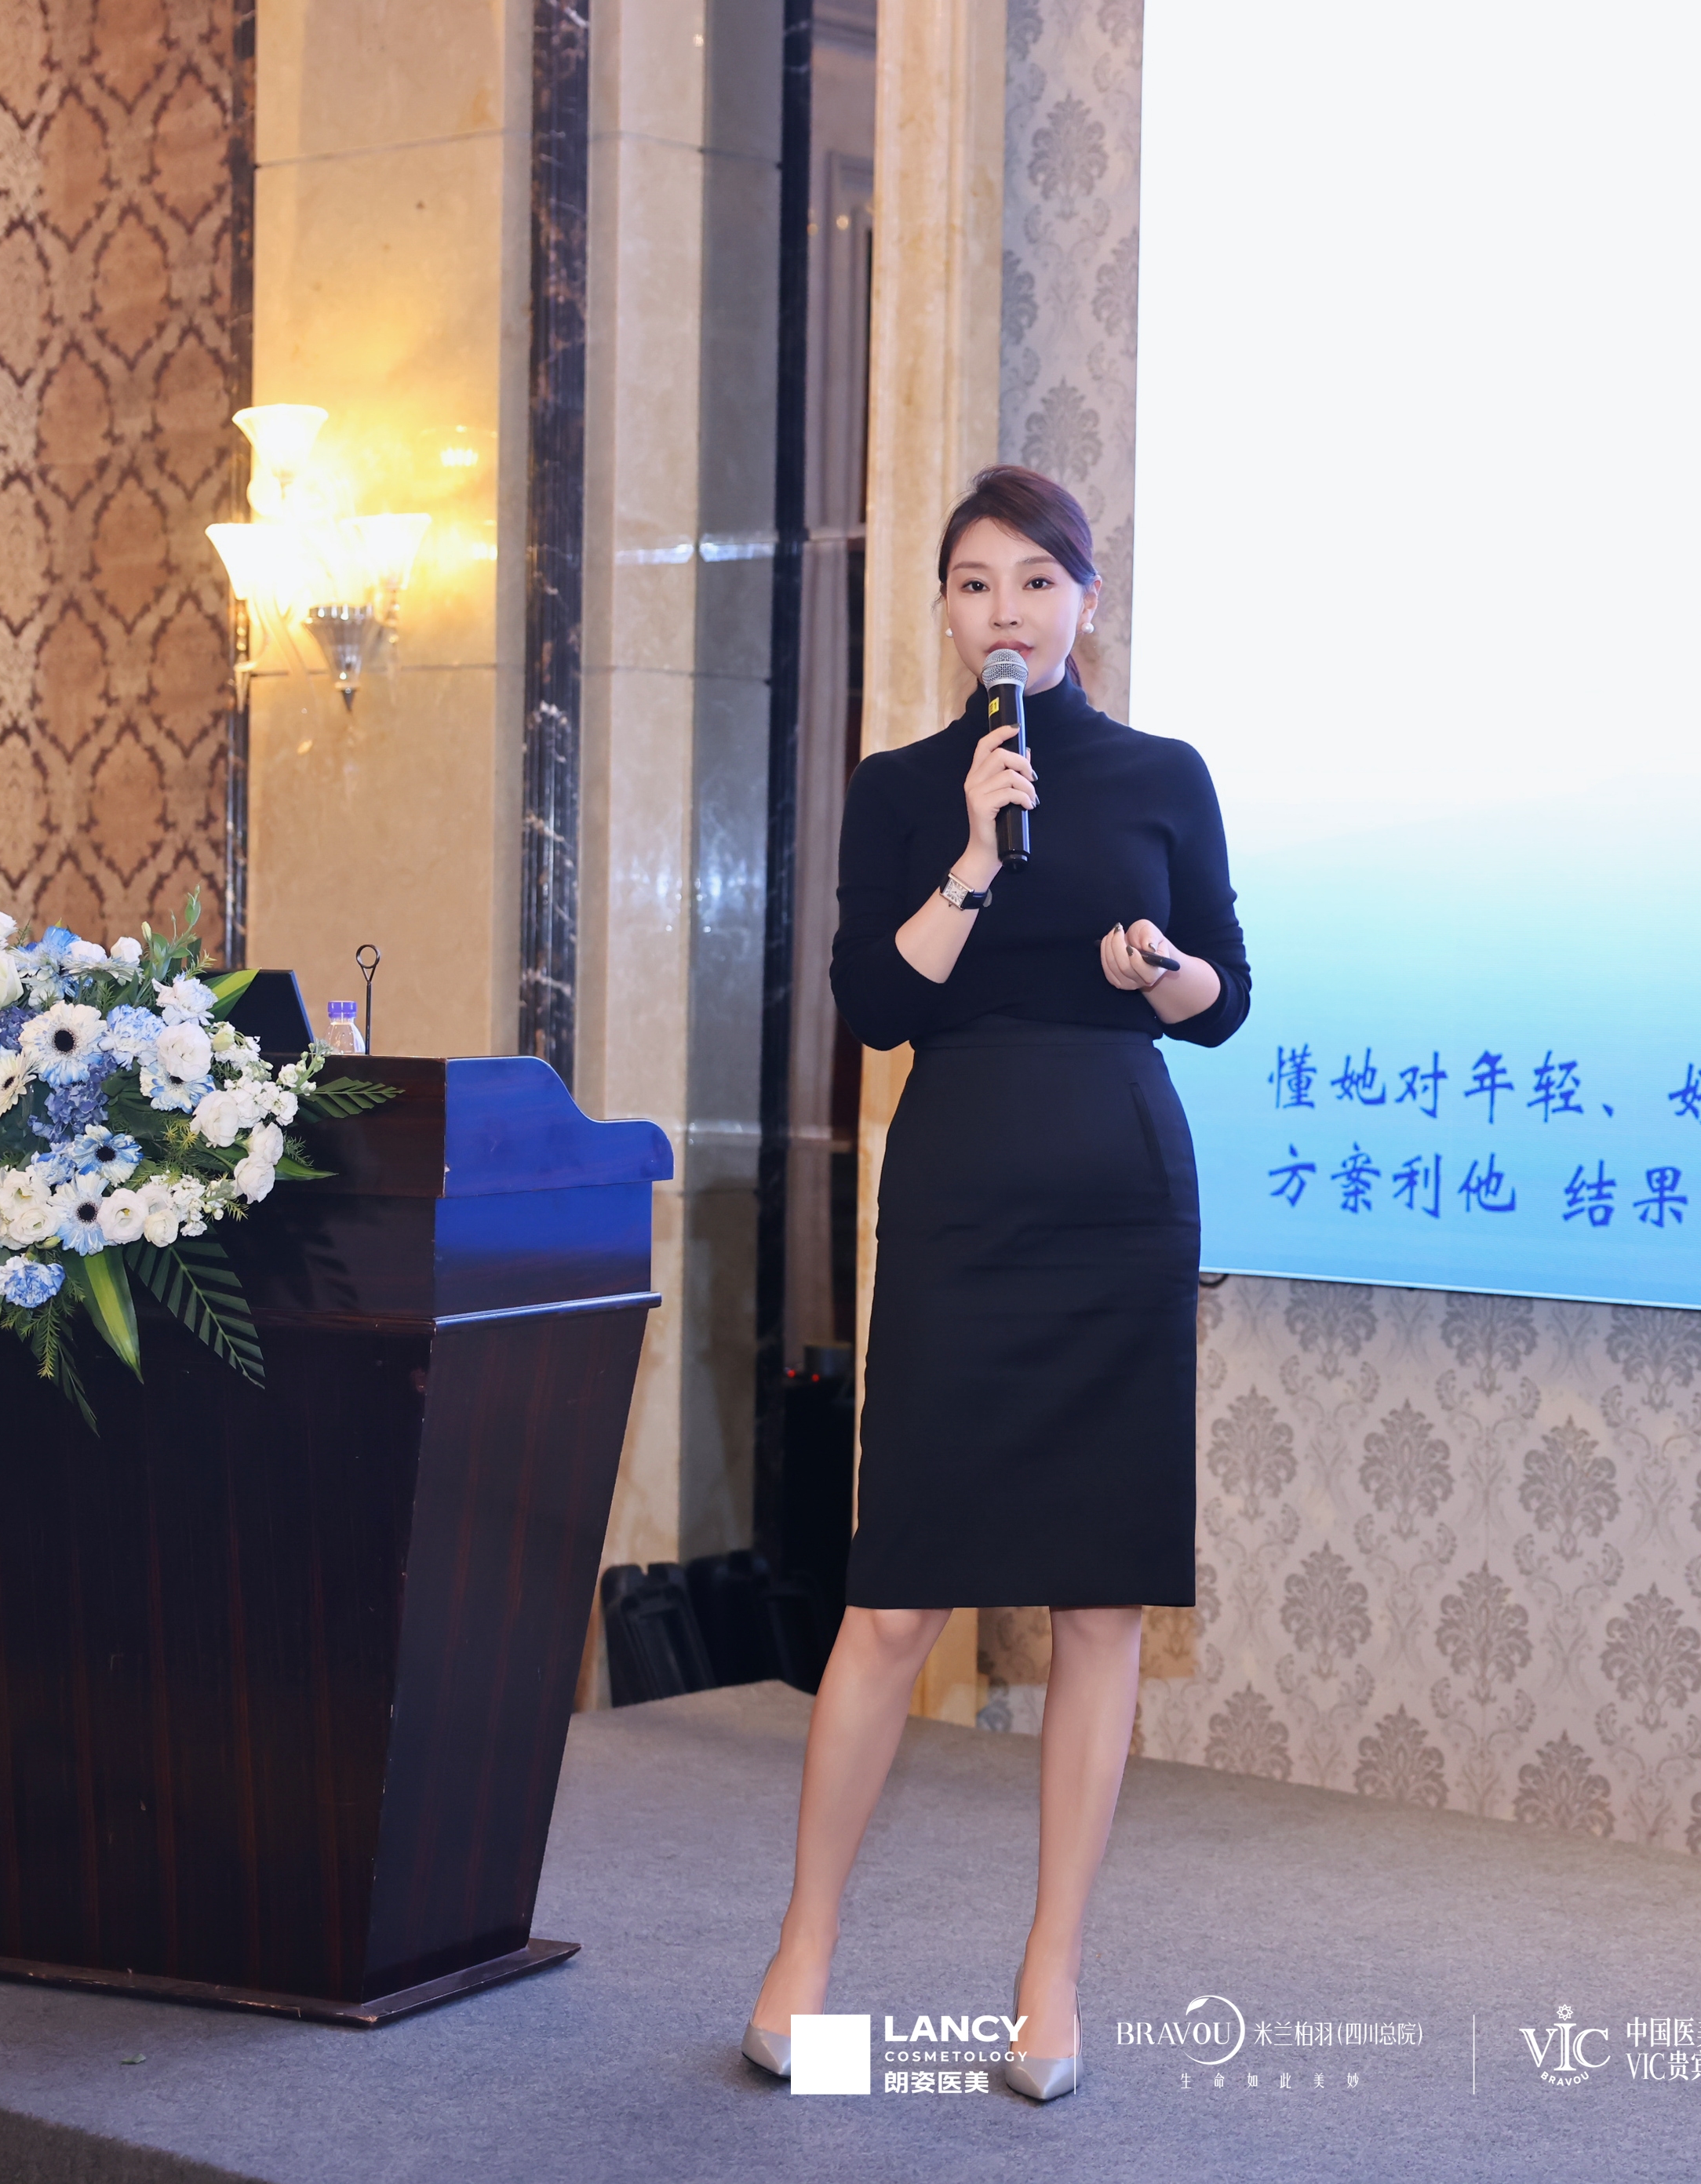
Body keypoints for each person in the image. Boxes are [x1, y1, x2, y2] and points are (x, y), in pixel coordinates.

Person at [741, 467, 1250, 2102]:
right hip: (961, 1199)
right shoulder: (903, 789)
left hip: (1118, 1194)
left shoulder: (1165, 776)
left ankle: (1050, 1977)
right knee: (896, 1599)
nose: (1006, 610)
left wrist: (1162, 972)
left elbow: (1226, 998)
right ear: (947, 612)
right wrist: (972, 855)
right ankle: (803, 1952)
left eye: (1036, 580)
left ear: (1085, 600)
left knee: (1098, 1602)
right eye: (975, 584)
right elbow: (880, 1009)